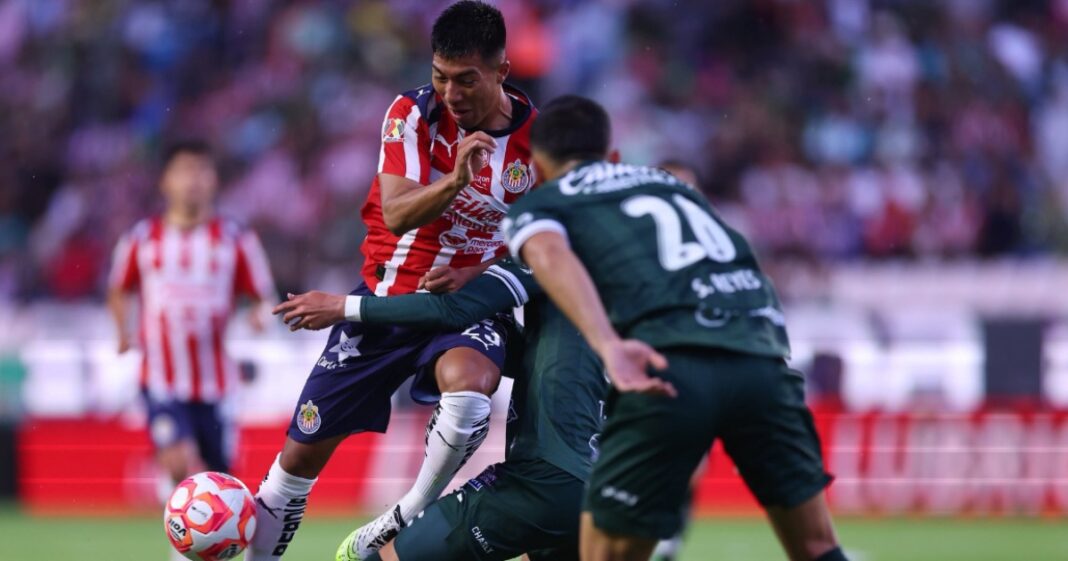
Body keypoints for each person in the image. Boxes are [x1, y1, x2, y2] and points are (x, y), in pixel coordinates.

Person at [245, 3, 539, 560]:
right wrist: (456, 180)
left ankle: (403, 515)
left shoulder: (537, 143)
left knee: (470, 383)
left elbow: (539, 246)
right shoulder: (411, 113)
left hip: (467, 306)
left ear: (502, 70)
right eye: (440, 76)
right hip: (387, 298)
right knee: (296, 464)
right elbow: (400, 213)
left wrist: (478, 273)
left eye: (466, 79)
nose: (450, 92)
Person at [503, 96, 847, 561]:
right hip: (762, 360)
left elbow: (547, 253)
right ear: (611, 154)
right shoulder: (675, 187)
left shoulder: (547, 200)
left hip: (671, 365)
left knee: (601, 554)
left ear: (536, 164)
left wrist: (607, 344)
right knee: (817, 545)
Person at [276, 258, 603, 561]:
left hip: (545, 478)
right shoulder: (640, 288)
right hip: (605, 484)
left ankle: (410, 507)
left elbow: (455, 311)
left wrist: (341, 306)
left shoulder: (557, 250)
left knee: (390, 556)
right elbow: (540, 359)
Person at [107, 140, 276, 561]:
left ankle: (218, 549)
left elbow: (262, 296)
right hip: (161, 378)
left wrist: (259, 317)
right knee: (182, 462)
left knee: (222, 481)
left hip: (217, 384)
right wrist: (122, 330)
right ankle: (184, 552)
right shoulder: (143, 239)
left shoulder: (235, 239)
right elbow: (119, 288)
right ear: (166, 180)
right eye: (184, 171)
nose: (193, 181)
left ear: (214, 180)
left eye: (202, 171)